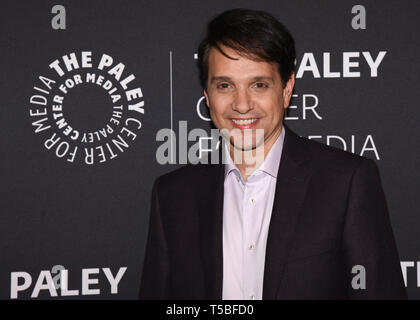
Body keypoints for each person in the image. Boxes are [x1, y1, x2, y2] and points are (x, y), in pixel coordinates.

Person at [139, 8, 407, 299]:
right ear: (207, 95)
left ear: (287, 89)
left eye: (259, 85)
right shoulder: (172, 196)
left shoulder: (346, 182)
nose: (242, 104)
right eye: (225, 85)